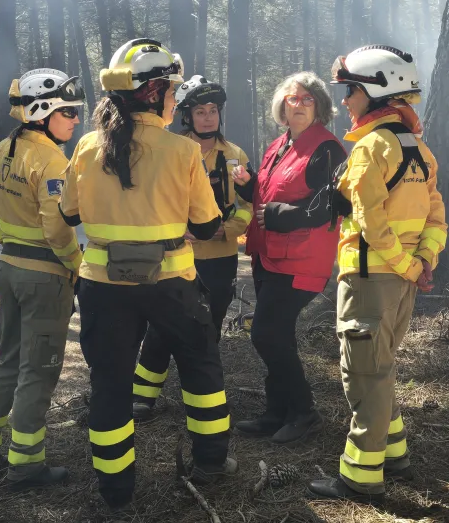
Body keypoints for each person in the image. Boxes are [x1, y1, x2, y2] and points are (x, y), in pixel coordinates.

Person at [59, 39, 236, 510]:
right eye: (173, 90)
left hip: (102, 287)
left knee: (110, 383)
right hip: (173, 283)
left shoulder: (87, 146)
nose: (176, 98)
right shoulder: (182, 151)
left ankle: (116, 492)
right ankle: (212, 464)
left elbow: (70, 214)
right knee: (200, 368)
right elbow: (204, 224)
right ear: (155, 91)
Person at [307, 45, 446, 501]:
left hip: (369, 280)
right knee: (380, 367)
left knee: (363, 374)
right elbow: (436, 217)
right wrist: (422, 263)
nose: (344, 101)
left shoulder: (371, 148)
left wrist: (407, 264)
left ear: (375, 90)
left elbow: (370, 221)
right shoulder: (418, 148)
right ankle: (395, 453)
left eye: (349, 90)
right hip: (402, 283)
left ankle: (360, 478)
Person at [0, 69, 85, 490]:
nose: (75, 120)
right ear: (42, 111)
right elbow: (56, 227)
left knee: (7, 363)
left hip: (9, 269)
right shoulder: (52, 159)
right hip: (44, 277)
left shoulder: (4, 149)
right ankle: (26, 466)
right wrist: (76, 264)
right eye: (67, 111)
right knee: (39, 371)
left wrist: (4, 236)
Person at [230, 72, 348, 445]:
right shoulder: (279, 145)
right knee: (276, 335)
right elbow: (266, 196)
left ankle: (303, 412)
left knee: (266, 333)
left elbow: (332, 204)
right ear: (281, 105)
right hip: (268, 255)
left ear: (320, 107)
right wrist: (249, 185)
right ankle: (276, 411)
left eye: (306, 100)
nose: (296, 106)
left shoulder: (327, 148)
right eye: (291, 99)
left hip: (301, 259)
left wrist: (284, 214)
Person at [131, 75, 253, 421]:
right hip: (175, 257)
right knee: (162, 328)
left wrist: (225, 230)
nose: (208, 118)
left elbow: (247, 204)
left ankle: (203, 398)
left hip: (219, 258)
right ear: (187, 116)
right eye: (200, 111)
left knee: (207, 330)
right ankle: (142, 397)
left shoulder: (235, 156)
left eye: (213, 110)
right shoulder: (169, 149)